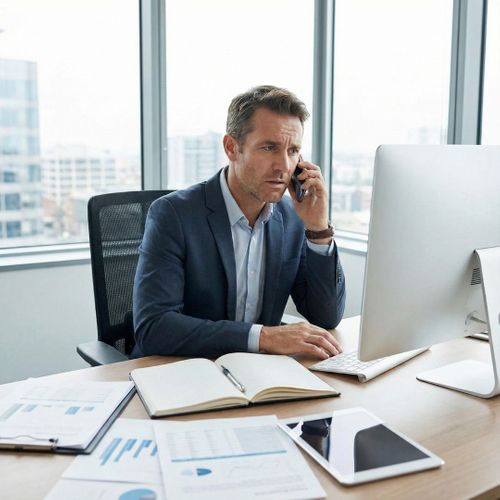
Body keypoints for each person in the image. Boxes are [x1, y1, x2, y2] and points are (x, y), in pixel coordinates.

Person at [132, 85, 346, 359]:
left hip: (256, 376)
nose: (283, 166)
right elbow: (154, 328)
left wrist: (318, 230)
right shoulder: (172, 215)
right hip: (179, 372)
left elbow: (325, 316)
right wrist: (264, 337)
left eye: (293, 151)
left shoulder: (292, 218)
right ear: (232, 148)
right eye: (269, 148)